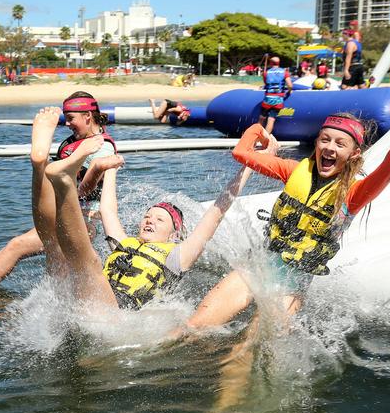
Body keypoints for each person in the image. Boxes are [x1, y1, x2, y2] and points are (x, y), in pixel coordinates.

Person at [178, 86, 390, 406]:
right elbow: (242, 154)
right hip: (256, 266)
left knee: (246, 348)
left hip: (291, 286)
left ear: (353, 154)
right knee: (193, 327)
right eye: (324, 140)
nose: (329, 147)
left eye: (339, 143)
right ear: (316, 144)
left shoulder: (354, 195)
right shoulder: (293, 171)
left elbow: (386, 174)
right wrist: (259, 131)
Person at [34, 106, 252, 310]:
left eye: (160, 220)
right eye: (148, 216)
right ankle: (39, 163)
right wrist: (111, 169)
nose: (149, 220)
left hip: (115, 313)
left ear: (175, 233)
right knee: (52, 245)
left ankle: (62, 181)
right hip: (87, 300)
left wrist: (249, 165)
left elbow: (215, 214)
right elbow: (108, 209)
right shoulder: (125, 243)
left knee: (88, 263)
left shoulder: (178, 256)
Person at [0, 92, 120, 292]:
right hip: (58, 210)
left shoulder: (102, 147)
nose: (67, 124)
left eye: (71, 118)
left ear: (87, 116)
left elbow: (85, 190)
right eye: (66, 118)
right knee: (23, 250)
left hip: (82, 219)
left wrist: (95, 169)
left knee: (23, 248)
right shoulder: (72, 142)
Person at [258, 55, 293, 135]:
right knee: (271, 119)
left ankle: (256, 136)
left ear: (270, 63)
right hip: (278, 99)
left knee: (261, 118)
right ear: (279, 63)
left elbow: (265, 83)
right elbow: (290, 85)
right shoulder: (284, 72)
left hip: (268, 98)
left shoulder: (266, 73)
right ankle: (265, 139)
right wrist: (290, 91)